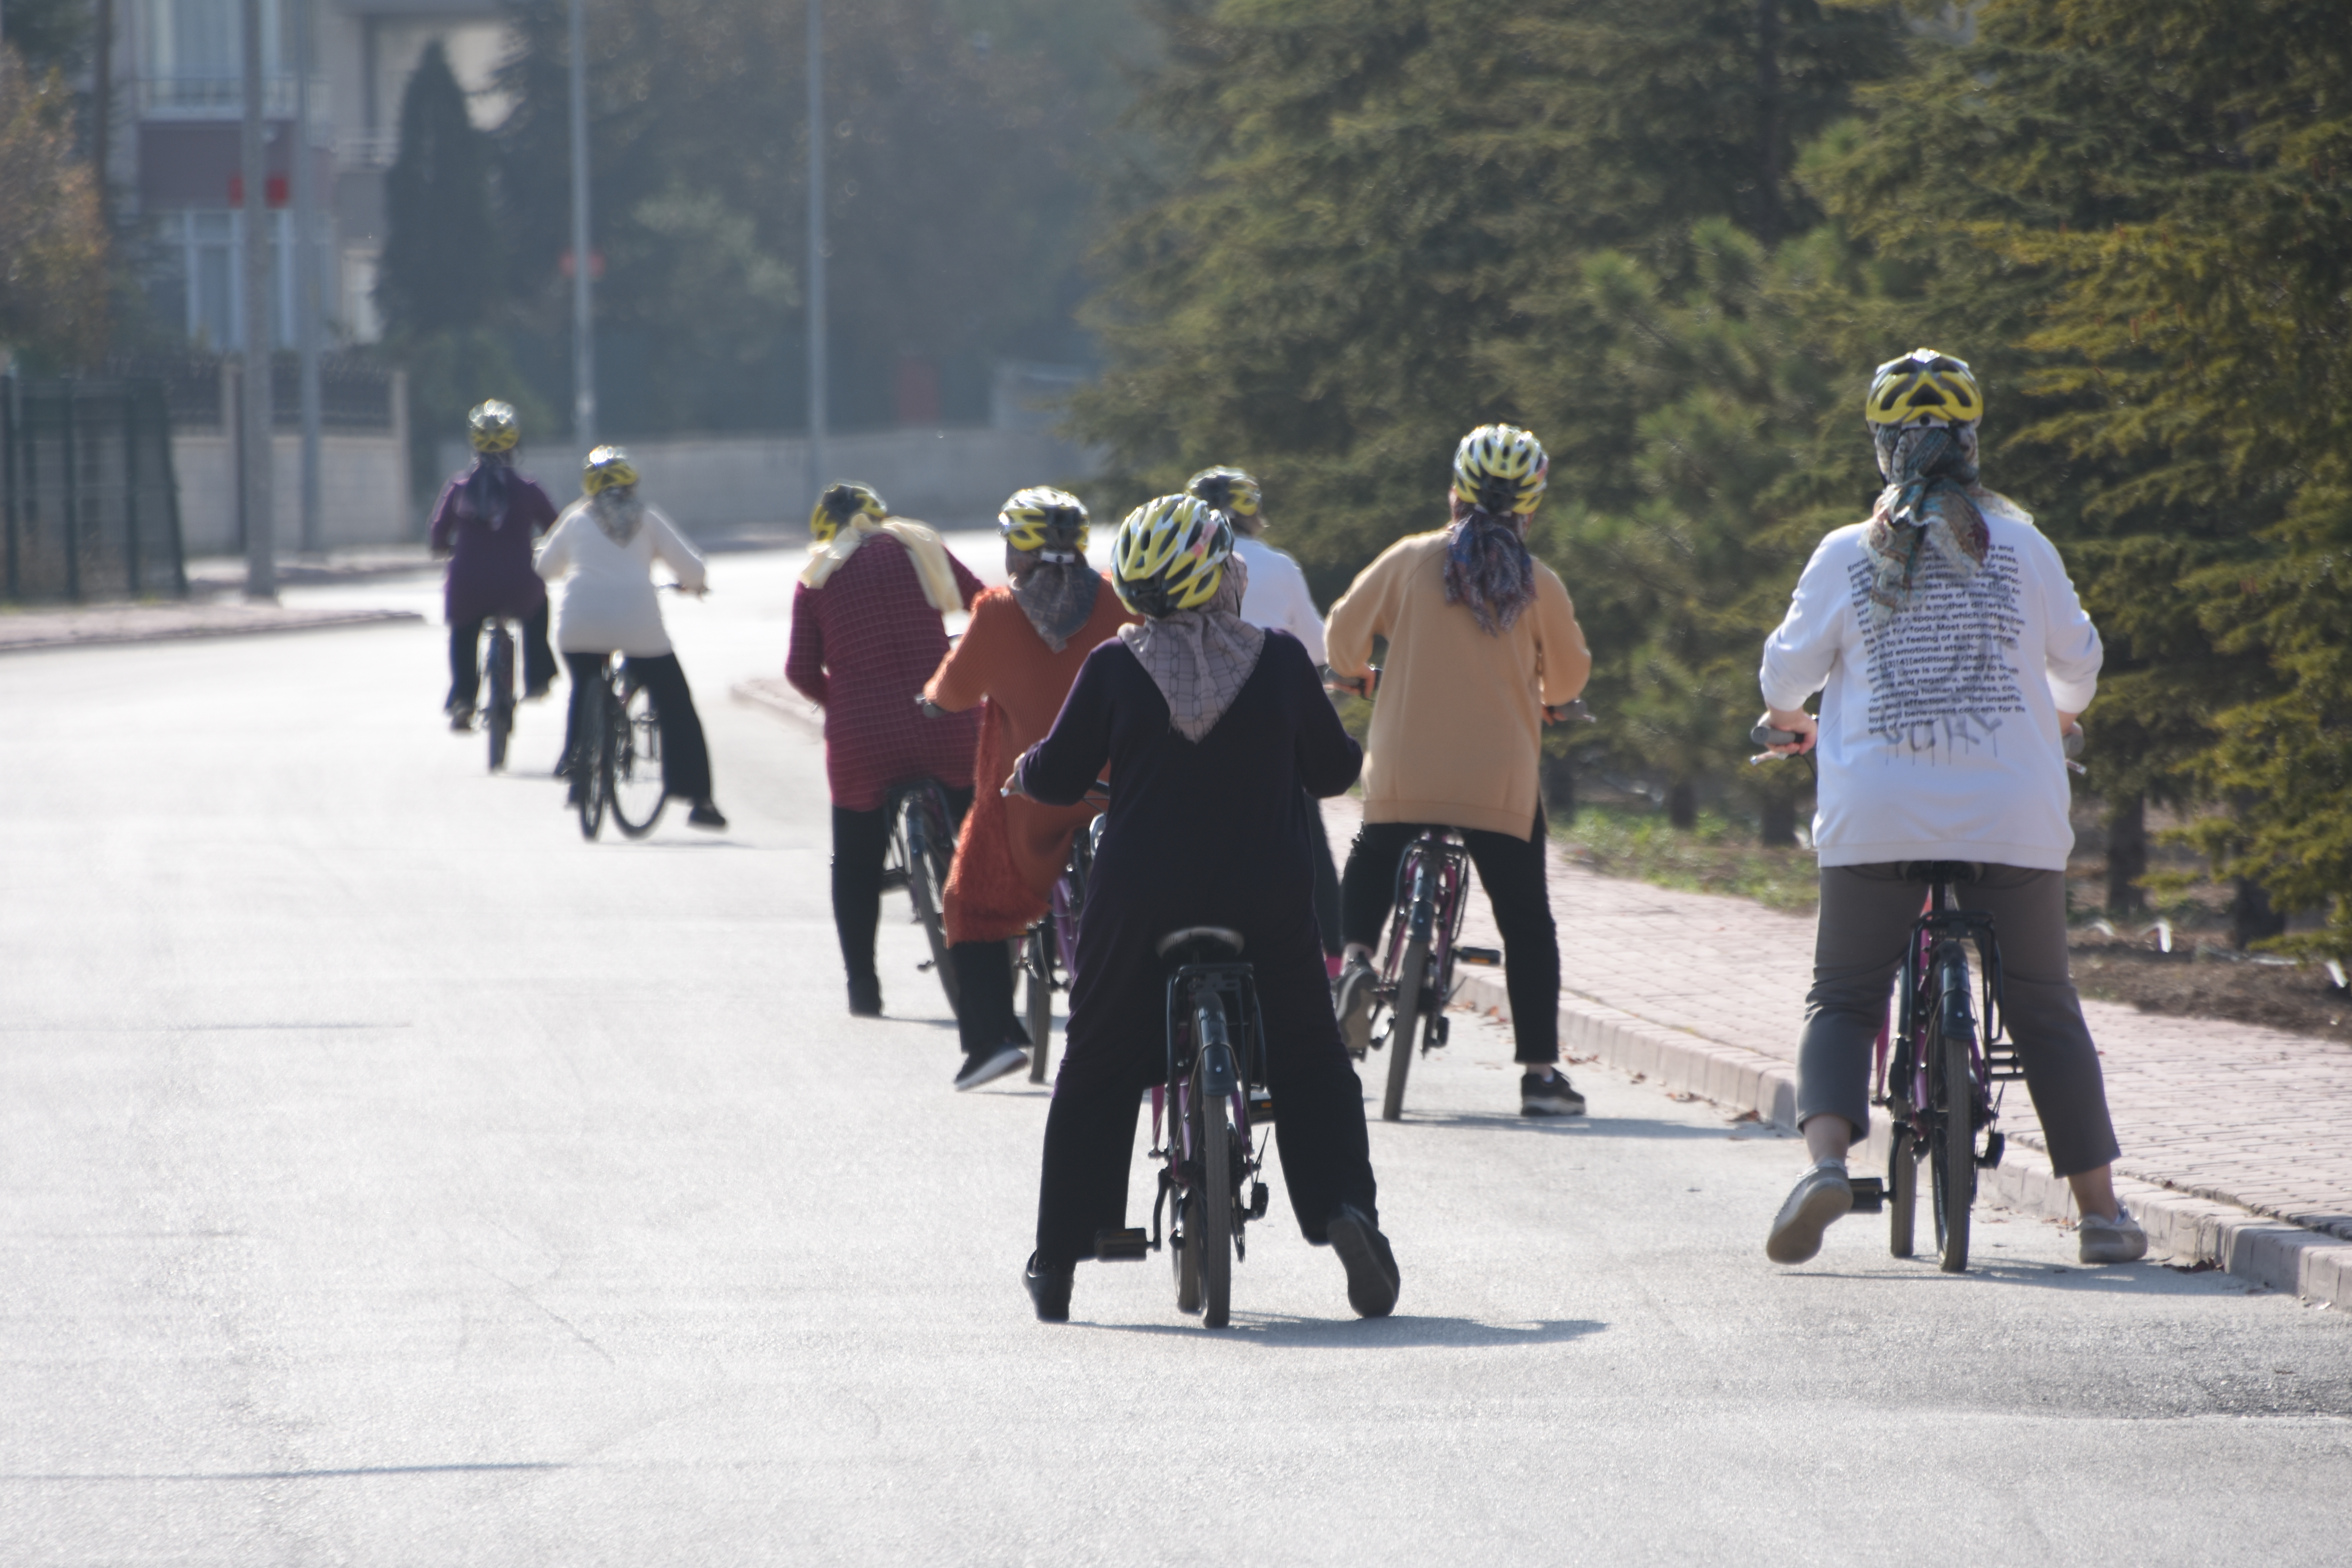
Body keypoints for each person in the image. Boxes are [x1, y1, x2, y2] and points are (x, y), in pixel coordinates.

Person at [1754, 347, 2145, 1269]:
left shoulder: (1848, 553)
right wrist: (2055, 718)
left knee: (1845, 995)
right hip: (2013, 817)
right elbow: (2079, 664)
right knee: (2044, 1004)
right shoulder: (2024, 546)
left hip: (1876, 820)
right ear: (1972, 444)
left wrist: (1782, 723)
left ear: (1883, 448)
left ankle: (1823, 1164)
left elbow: (1785, 674)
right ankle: (2098, 1213)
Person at [1011, 494, 1397, 1325]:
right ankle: (1345, 1212)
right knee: (1307, 1051)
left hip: (1141, 896)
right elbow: (1333, 772)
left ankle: (1060, 1258)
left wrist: (1026, 767)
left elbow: (1057, 772)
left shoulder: (1115, 666)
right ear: (1221, 574)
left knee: (1100, 1056)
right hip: (1265, 891)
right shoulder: (1282, 660)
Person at [1326, 424, 1593, 1117]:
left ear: (1454, 493)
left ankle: (1356, 960)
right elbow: (1567, 679)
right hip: (1496, 787)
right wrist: (1553, 703)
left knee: (1371, 853)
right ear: (1530, 507)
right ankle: (1539, 1077)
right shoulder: (1540, 584)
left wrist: (1358, 675)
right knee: (1527, 923)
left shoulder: (1411, 560)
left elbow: (1342, 633)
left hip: (1405, 773)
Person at [921, 488, 1135, 1091]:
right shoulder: (1120, 601)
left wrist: (931, 700)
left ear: (1021, 545)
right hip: (1118, 794)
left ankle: (992, 1040)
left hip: (1033, 802)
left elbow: (953, 692)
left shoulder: (997, 612)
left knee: (971, 898)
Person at [785, 482, 986, 1017]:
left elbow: (800, 672)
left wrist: (844, 703)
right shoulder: (920, 547)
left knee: (854, 863)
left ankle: (864, 987)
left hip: (863, 738)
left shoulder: (816, 580)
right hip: (942, 719)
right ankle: (990, 968)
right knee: (976, 840)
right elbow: (986, 608)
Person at [1187, 465, 1344, 969]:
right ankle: (1335, 955)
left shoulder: (1183, 562)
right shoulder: (1280, 566)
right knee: (1307, 831)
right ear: (1253, 514)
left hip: (1198, 721)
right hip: (1274, 720)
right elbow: (1320, 646)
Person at [534, 446, 726, 829]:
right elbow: (691, 568)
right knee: (676, 704)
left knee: (584, 682)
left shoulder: (576, 518)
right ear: (632, 484)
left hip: (579, 624)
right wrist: (696, 586)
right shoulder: (648, 518)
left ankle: (578, 765)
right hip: (639, 625)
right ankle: (699, 800)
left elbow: (543, 567)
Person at [429, 401, 559, 728]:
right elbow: (557, 531)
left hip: (468, 586)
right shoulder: (529, 490)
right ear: (515, 444)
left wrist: (446, 547)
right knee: (539, 607)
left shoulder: (459, 488)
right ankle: (538, 678)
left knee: (463, 633)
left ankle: (463, 699)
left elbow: (437, 535)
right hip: (519, 586)